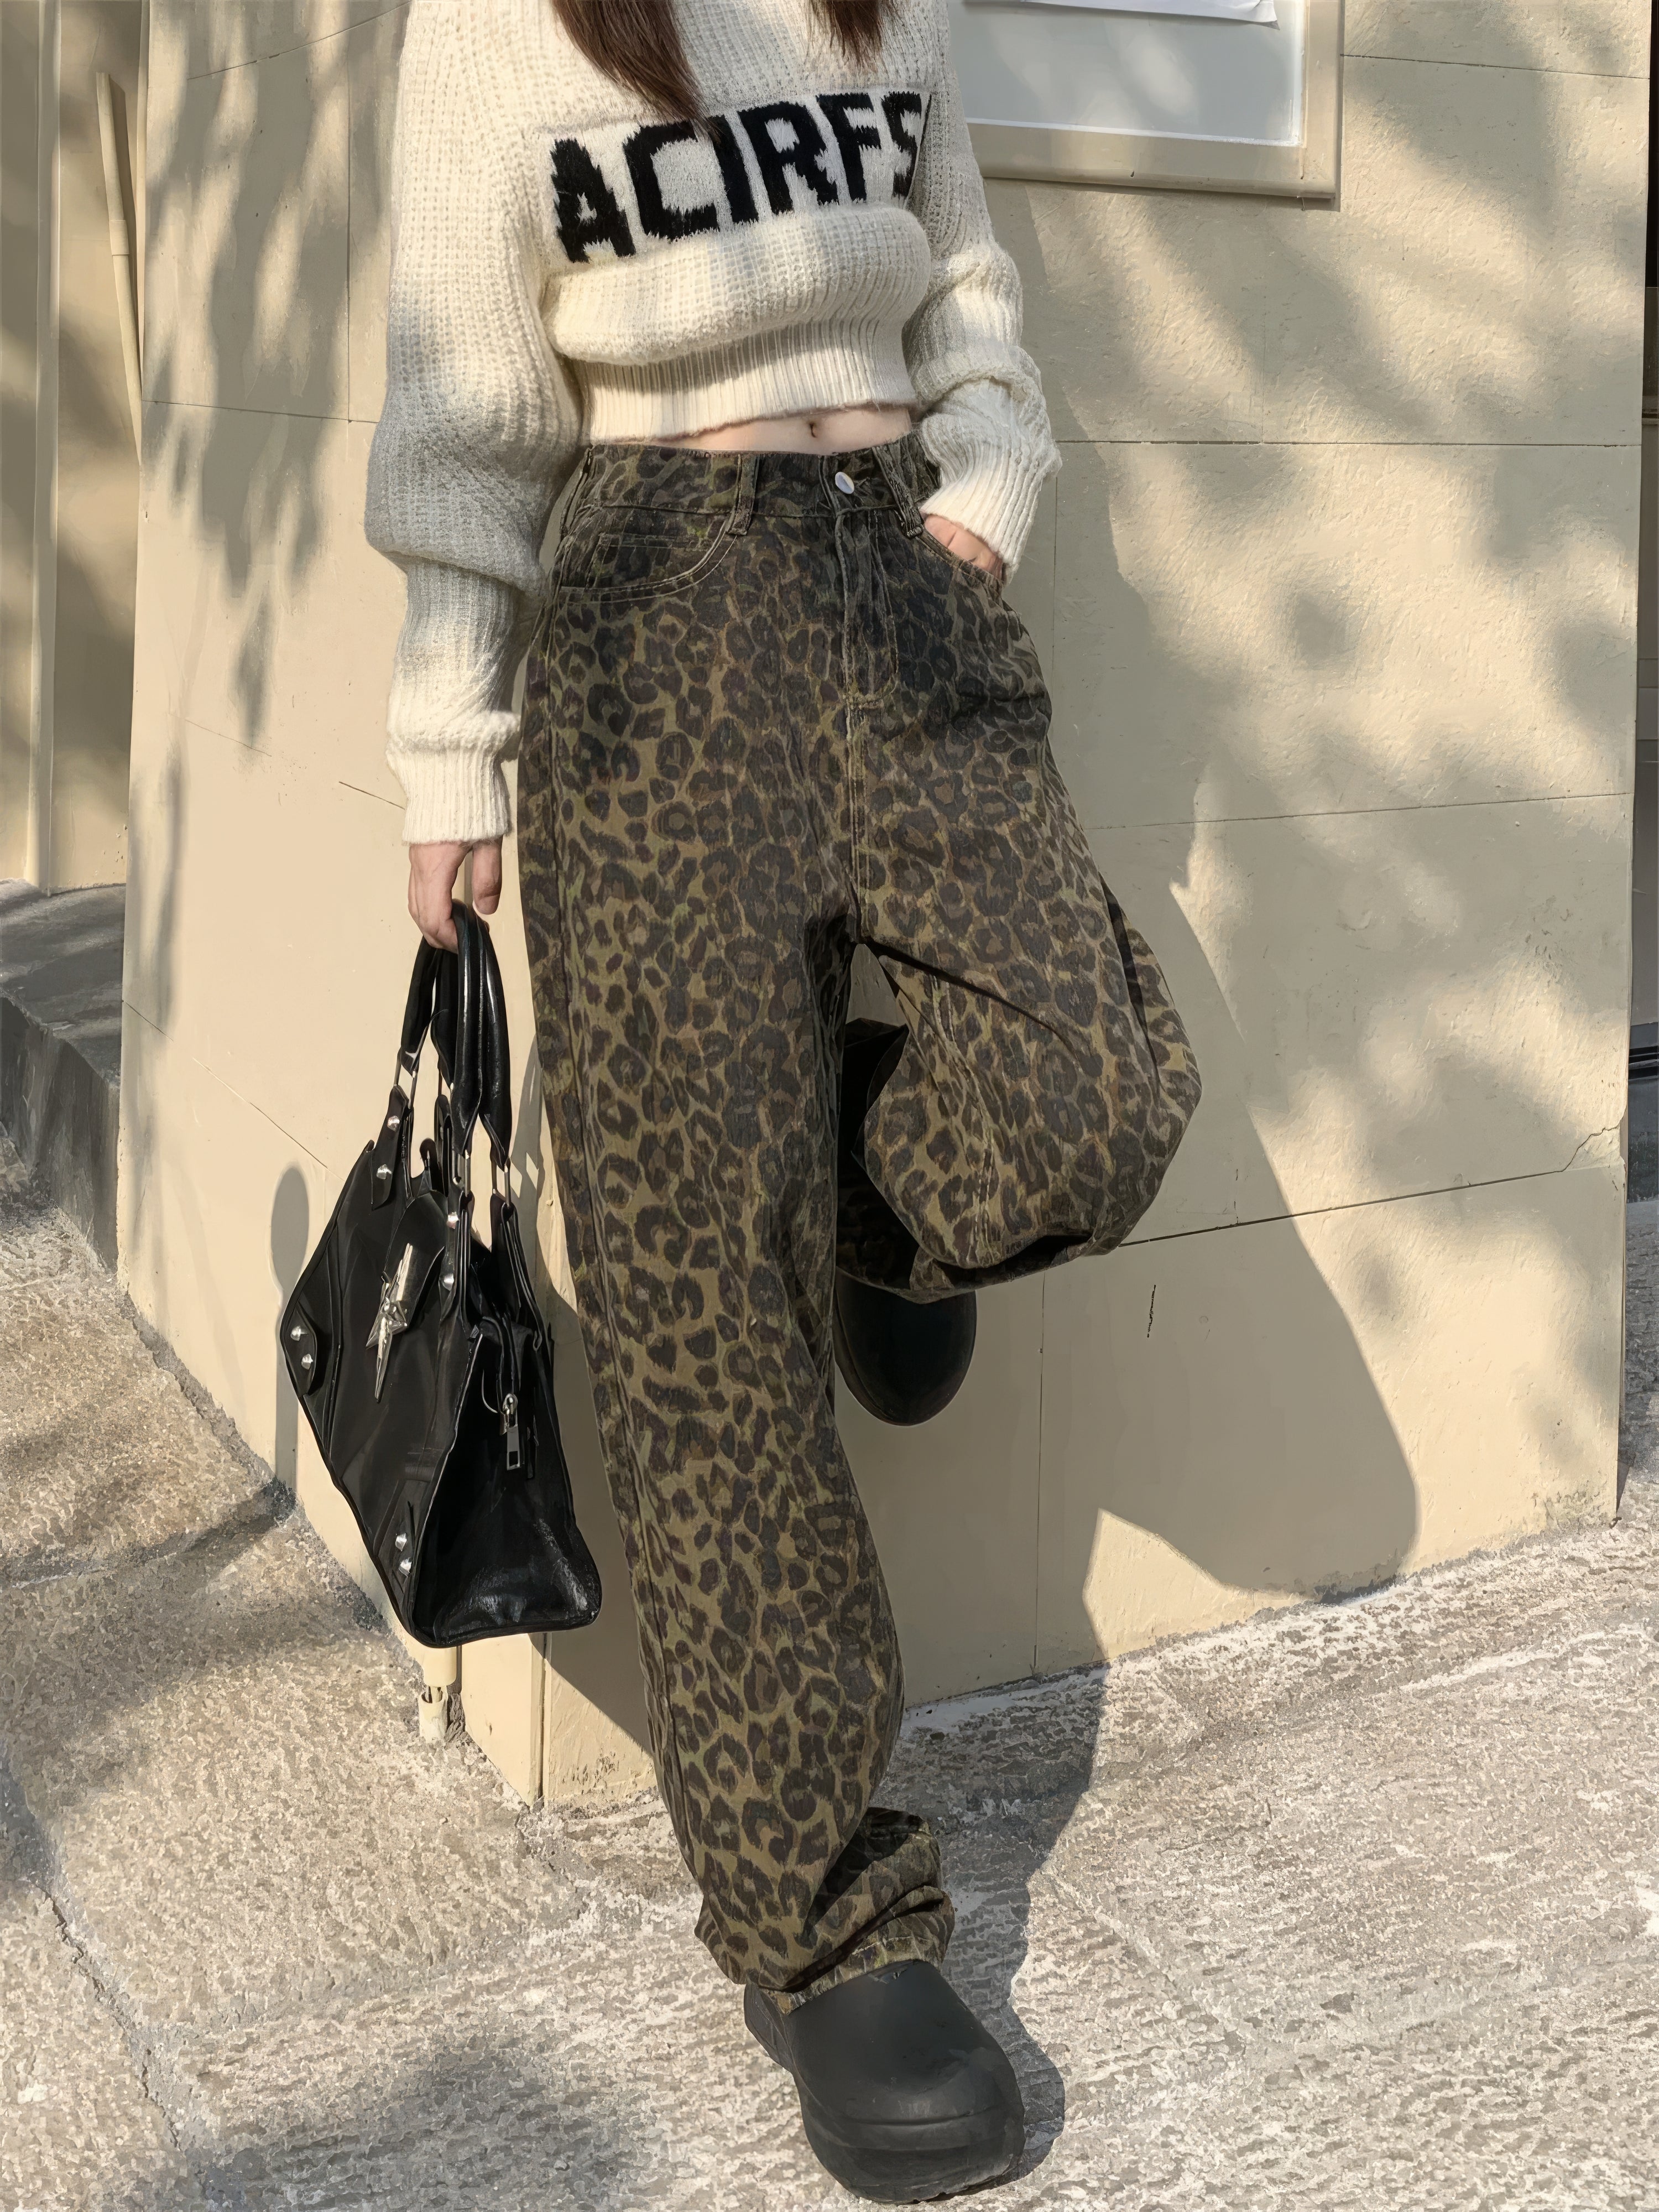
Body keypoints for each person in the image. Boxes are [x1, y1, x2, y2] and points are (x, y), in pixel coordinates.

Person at [366, 1, 1199, 2197]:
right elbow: (467, 409)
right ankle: (828, 1928)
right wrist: (449, 751)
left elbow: (968, 279)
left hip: (901, 572)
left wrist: (984, 487)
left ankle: (869, 1215)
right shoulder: (497, 27)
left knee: (1094, 1095)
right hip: (652, 608)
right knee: (696, 1311)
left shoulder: (876, 3)